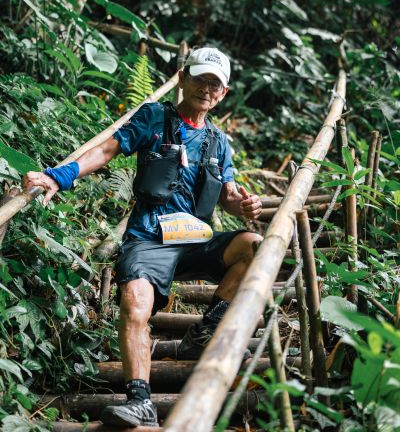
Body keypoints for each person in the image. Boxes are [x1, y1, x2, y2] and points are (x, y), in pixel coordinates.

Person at [23, 47, 263, 428]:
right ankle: (140, 400)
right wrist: (60, 176)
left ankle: (205, 331)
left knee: (254, 247)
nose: (206, 88)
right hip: (149, 237)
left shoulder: (219, 142)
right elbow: (107, 149)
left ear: (223, 93)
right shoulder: (154, 118)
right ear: (182, 77)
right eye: (199, 78)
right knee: (135, 304)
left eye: (214, 84)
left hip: (195, 239)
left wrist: (244, 204)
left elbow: (229, 195)